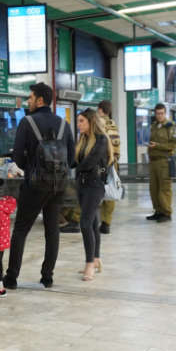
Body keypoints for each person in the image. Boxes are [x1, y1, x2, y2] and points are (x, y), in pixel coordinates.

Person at [3, 82, 74, 290]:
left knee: (21, 230)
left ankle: (12, 277)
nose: (28, 101)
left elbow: (17, 156)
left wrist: (33, 168)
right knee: (52, 230)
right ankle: (47, 277)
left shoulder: (27, 122)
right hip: (58, 185)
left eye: (30, 97)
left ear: (40, 100)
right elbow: (71, 157)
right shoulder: (63, 124)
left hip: (34, 185)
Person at [74, 109, 110, 281]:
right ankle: (96, 259)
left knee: (85, 223)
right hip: (82, 185)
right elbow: (75, 160)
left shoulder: (101, 140)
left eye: (81, 121)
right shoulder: (83, 139)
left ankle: (89, 263)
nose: (78, 124)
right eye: (78, 121)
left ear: (90, 122)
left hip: (95, 186)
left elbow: (89, 162)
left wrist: (73, 167)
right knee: (93, 223)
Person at [146, 103, 176, 223]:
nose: (159, 116)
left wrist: (158, 146)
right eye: (157, 113)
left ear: (165, 113)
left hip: (164, 161)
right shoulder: (154, 125)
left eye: (162, 113)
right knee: (154, 189)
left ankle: (166, 212)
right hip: (153, 161)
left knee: (164, 189)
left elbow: (174, 144)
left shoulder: (170, 126)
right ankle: (158, 211)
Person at [97, 100, 121, 235]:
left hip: (101, 163)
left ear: (100, 110)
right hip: (113, 162)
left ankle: (91, 220)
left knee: (94, 190)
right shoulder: (113, 124)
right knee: (110, 190)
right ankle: (106, 222)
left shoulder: (99, 124)